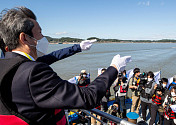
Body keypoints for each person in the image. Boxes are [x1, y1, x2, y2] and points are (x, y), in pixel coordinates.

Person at [0, 7, 131, 125]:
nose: (43, 37)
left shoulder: (9, 65)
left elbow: (53, 56)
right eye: (39, 32)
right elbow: (88, 97)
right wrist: (114, 67)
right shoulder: (33, 71)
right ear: (25, 38)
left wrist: (78, 47)